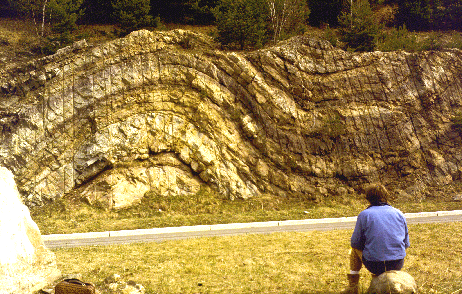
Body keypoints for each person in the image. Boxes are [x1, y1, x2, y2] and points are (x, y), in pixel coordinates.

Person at [341, 183, 410, 294]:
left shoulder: (364, 215)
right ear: (386, 196)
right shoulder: (399, 213)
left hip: (375, 264)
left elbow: (355, 242)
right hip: (397, 263)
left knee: (353, 250)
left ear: (368, 198)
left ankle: (353, 287)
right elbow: (406, 243)